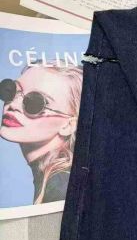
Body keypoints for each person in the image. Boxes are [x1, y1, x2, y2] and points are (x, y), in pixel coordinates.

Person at [0, 61, 83, 204]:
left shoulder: (60, 188)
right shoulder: (57, 178)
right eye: (12, 91)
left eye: (35, 102)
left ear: (69, 125)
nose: (13, 105)